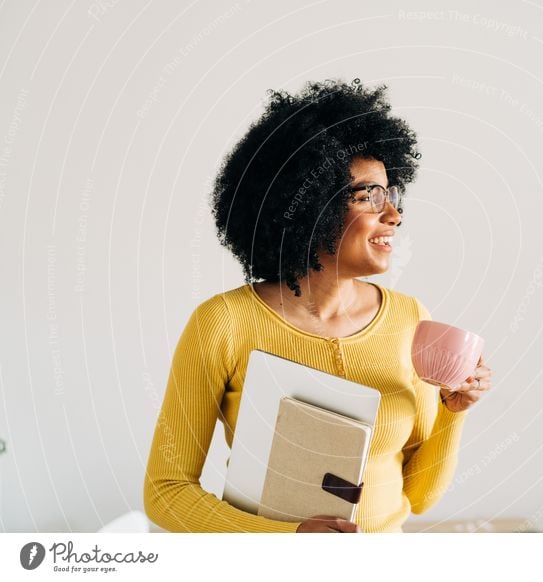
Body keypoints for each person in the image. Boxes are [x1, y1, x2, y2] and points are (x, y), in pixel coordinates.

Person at [143, 78, 493, 533]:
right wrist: (287, 540)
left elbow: (420, 497)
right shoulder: (223, 324)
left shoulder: (411, 319)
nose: (395, 215)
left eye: (392, 194)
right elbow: (166, 492)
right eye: (370, 195)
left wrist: (452, 411)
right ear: (310, 205)